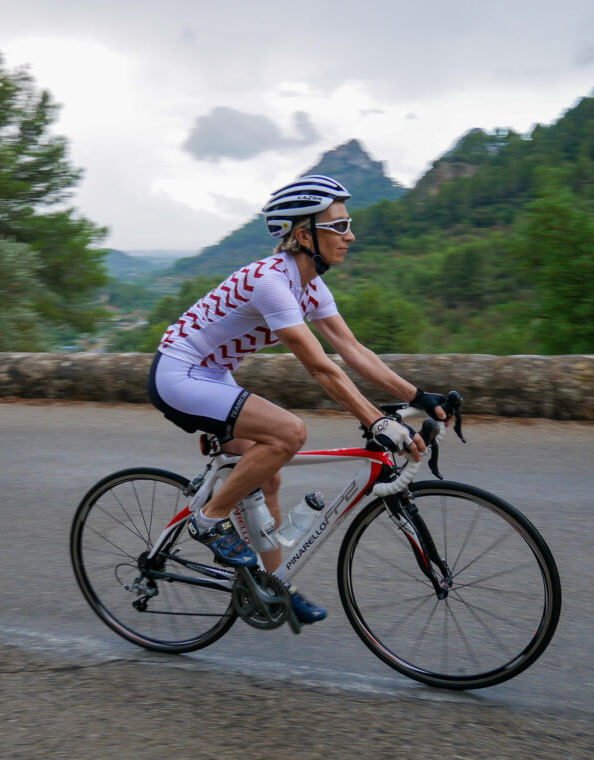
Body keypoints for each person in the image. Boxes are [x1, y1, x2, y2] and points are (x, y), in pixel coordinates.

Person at [147, 174, 448, 624]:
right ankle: (210, 517)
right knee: (289, 433)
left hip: (213, 375)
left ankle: (271, 589)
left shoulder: (310, 286)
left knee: (266, 477)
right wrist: (376, 422)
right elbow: (320, 367)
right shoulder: (271, 281)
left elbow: (353, 352)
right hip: (179, 374)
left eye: (349, 224)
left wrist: (419, 396)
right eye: (339, 226)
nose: (350, 236)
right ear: (304, 235)